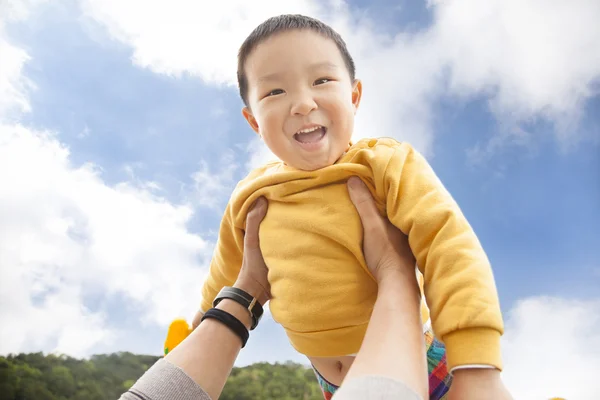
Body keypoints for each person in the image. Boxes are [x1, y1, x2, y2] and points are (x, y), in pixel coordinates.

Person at [190, 14, 511, 400]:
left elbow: (449, 246)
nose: (303, 104)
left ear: (354, 96)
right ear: (253, 122)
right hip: (333, 384)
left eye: (322, 81)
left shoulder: (383, 165)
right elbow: (225, 274)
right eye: (275, 92)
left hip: (425, 362)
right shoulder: (252, 195)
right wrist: (195, 338)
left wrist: (476, 366)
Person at [121, 179, 436, 400]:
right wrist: (201, 316)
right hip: (335, 385)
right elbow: (227, 264)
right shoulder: (260, 192)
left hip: (422, 357)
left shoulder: (368, 170)